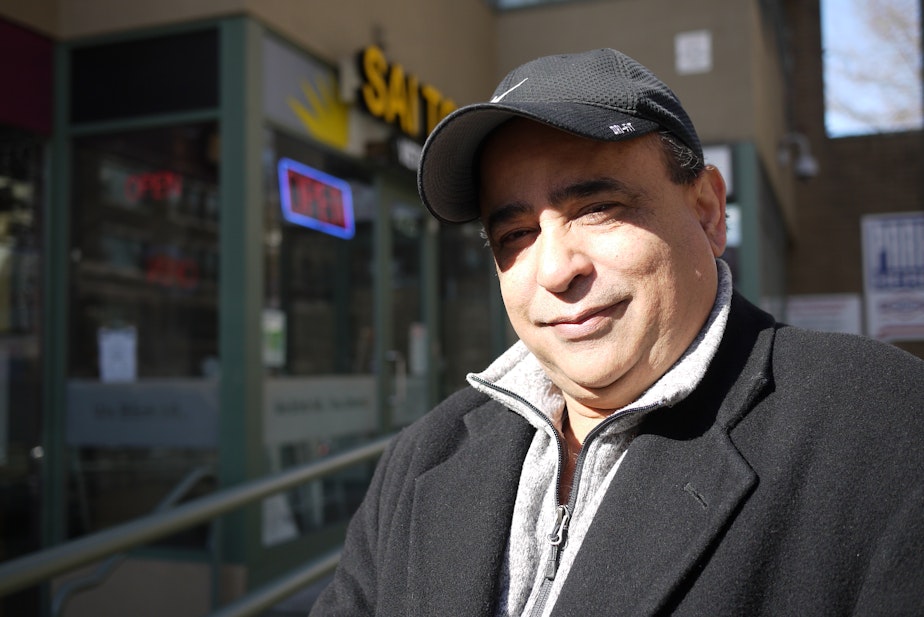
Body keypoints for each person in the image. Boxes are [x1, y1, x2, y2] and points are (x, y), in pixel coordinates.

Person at [310, 48, 924, 616]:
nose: (555, 269)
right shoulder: (423, 458)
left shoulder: (884, 427)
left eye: (597, 209)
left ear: (708, 210)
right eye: (515, 235)